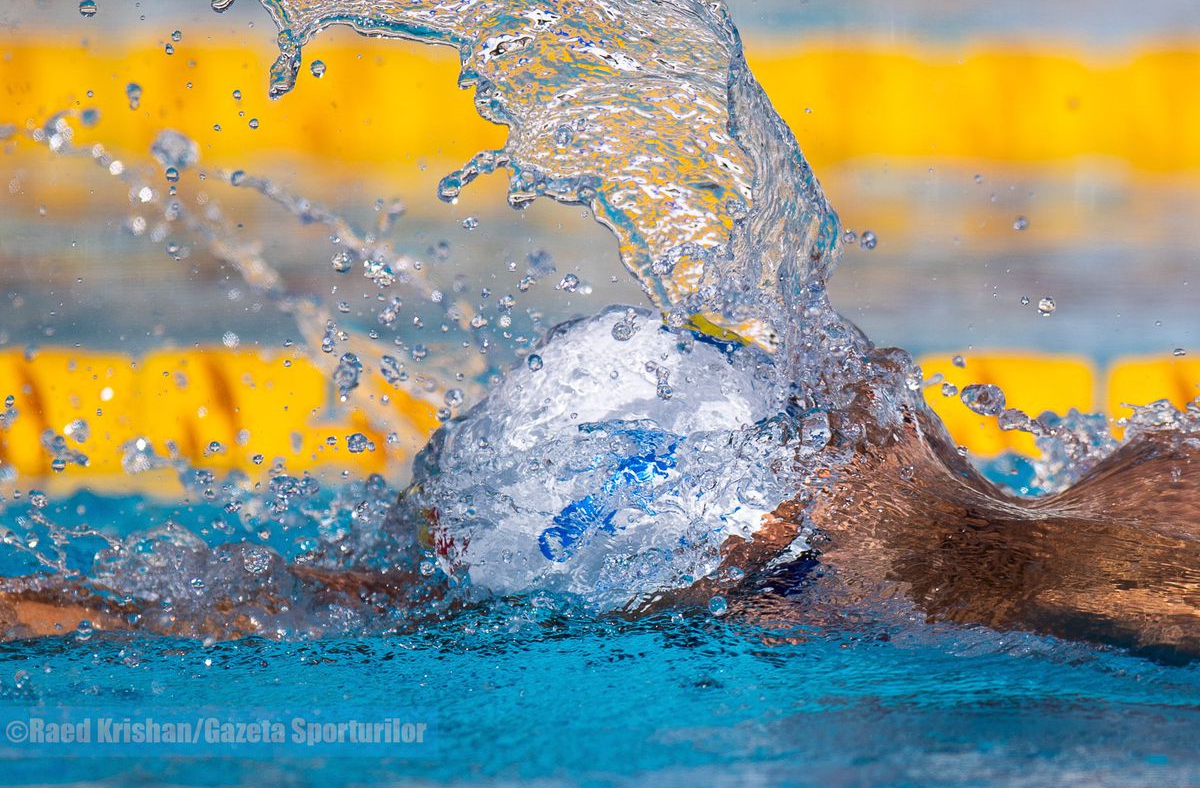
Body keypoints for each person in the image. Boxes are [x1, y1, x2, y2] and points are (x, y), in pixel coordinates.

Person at [3, 309, 1199, 659]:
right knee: (391, 620)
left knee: (367, 609)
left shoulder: (1161, 466)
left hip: (814, 472)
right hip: (817, 540)